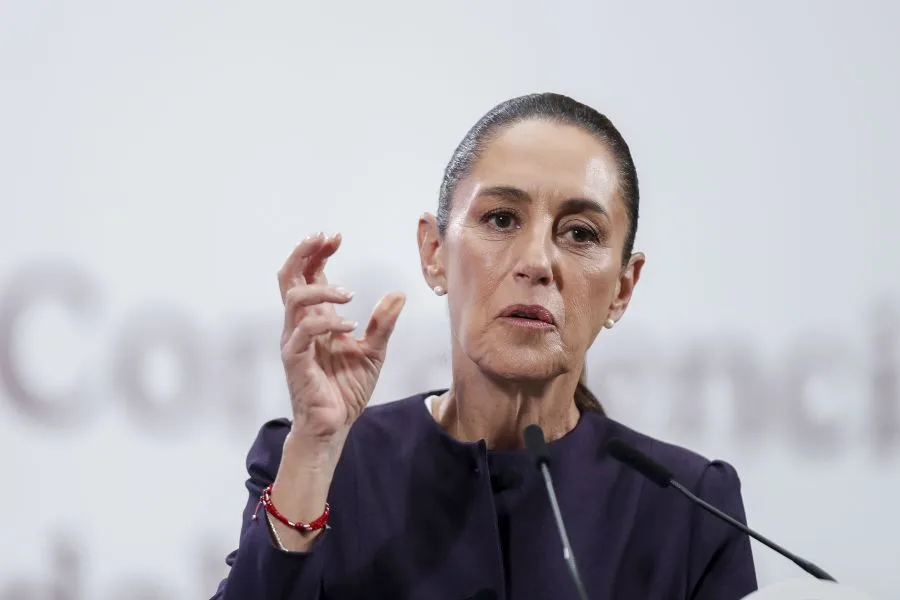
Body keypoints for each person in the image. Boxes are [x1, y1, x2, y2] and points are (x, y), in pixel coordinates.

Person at [210, 93, 758, 600]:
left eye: (580, 233)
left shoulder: (689, 508)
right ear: (434, 252)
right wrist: (314, 453)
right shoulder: (325, 463)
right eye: (501, 219)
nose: (537, 262)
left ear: (622, 288)